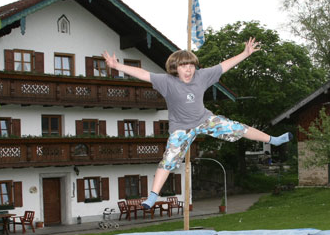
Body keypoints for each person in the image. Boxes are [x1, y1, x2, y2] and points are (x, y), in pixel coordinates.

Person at [102, 37, 292, 209]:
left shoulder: (202, 76)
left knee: (238, 127)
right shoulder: (166, 81)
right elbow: (143, 74)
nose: (189, 70)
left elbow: (224, 66)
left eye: (191, 66)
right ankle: (152, 196)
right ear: (176, 68)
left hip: (204, 120)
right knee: (168, 160)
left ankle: (273, 140)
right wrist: (118, 66)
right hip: (181, 129)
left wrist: (244, 53)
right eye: (184, 67)